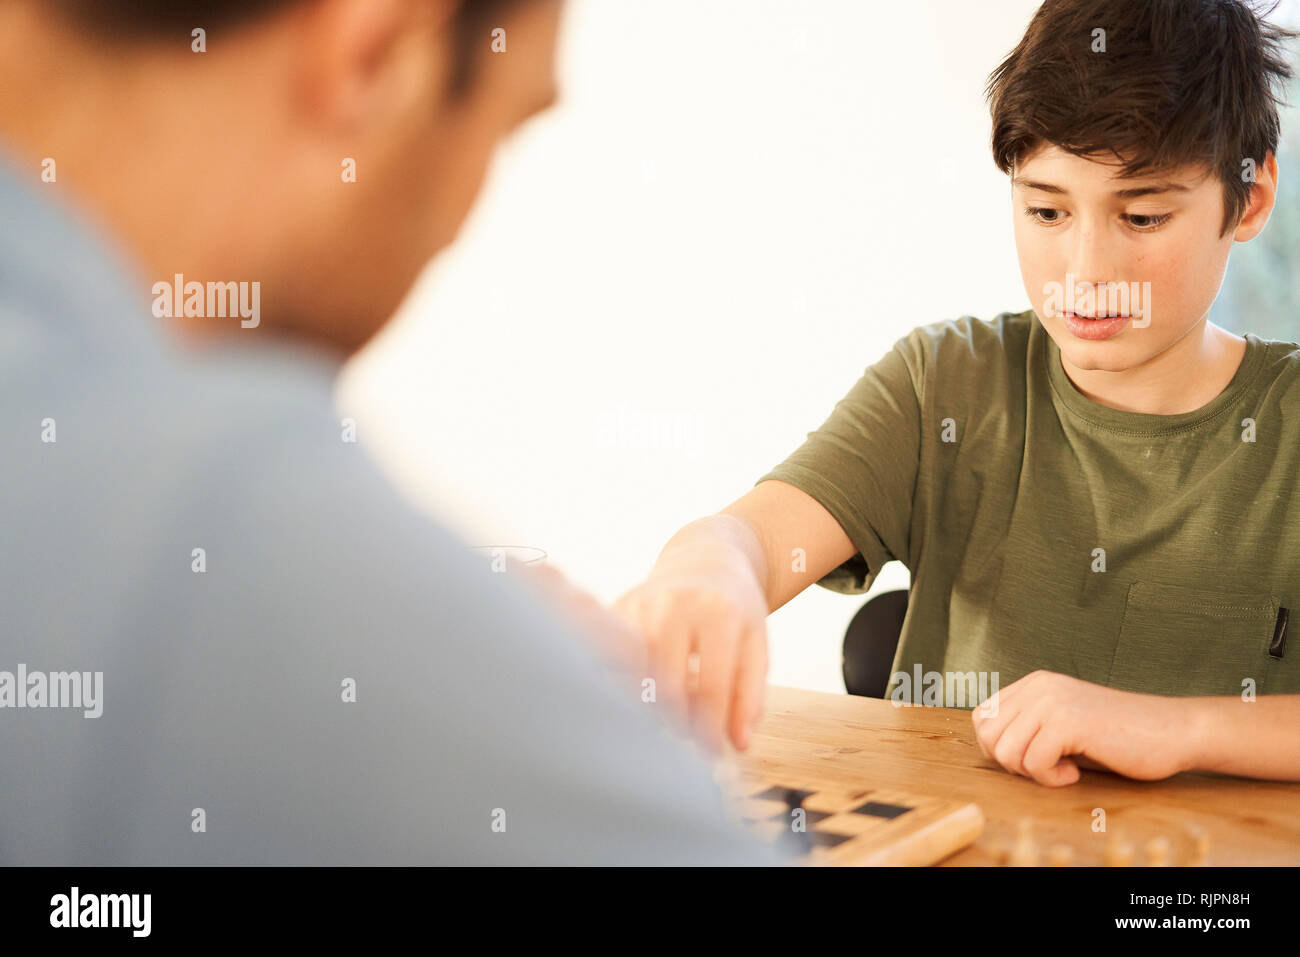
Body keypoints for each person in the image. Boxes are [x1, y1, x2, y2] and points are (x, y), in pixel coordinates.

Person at [0, 0, 770, 864]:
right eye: (505, 130)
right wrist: (490, 685)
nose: (452, 229)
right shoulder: (229, 525)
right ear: (379, 52)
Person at [614, 0, 1300, 787]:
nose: (1084, 270)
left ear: (1248, 199)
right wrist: (710, 571)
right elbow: (752, 540)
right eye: (1046, 208)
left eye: (1141, 216)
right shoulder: (946, 382)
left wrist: (1181, 727)